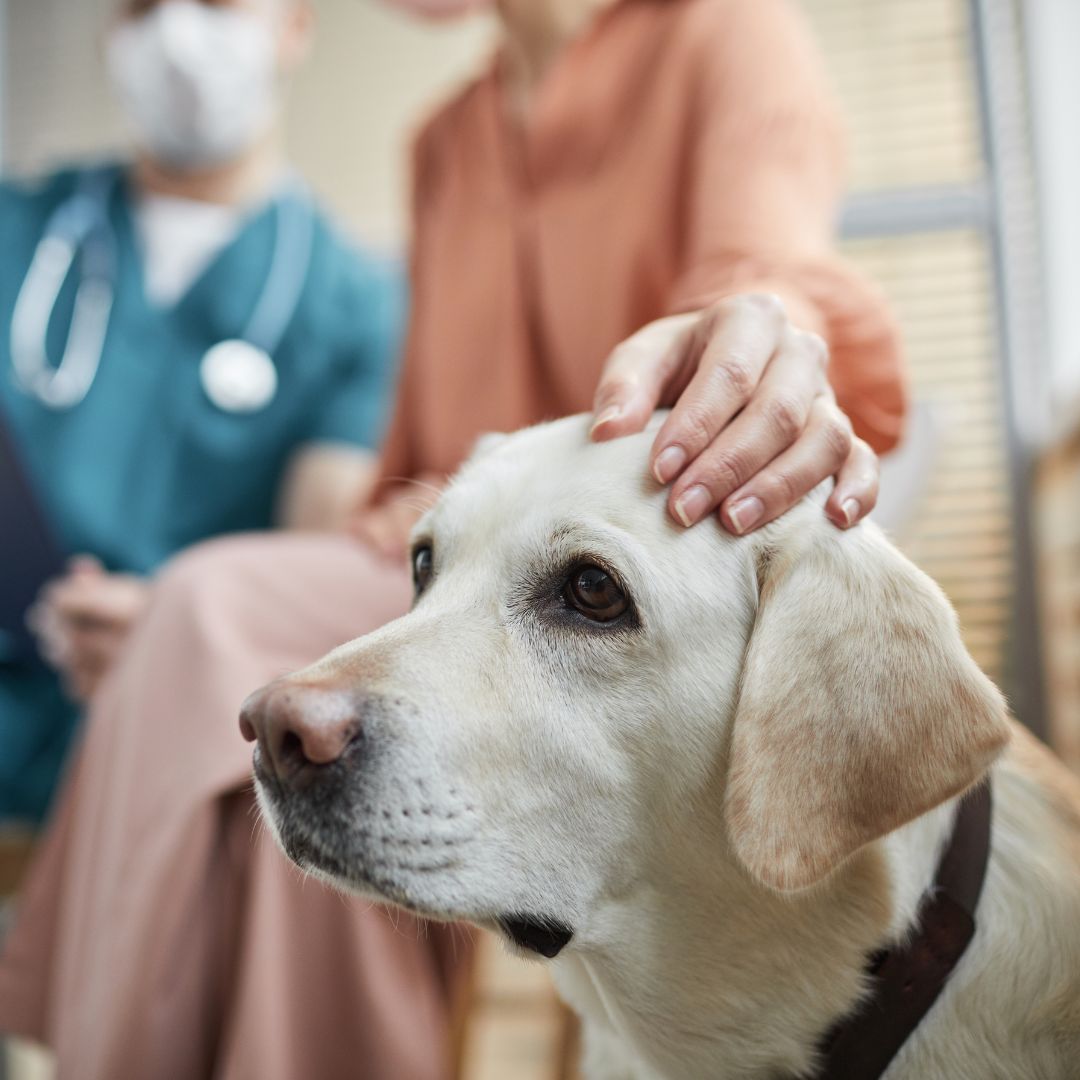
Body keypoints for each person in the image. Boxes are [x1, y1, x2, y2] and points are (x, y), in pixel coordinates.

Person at [0, 0, 905, 1077]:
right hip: (446, 567)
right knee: (237, 652)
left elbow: (765, 269)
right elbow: (418, 474)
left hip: (632, 579)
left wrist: (758, 333)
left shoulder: (721, 35)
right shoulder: (444, 141)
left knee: (215, 618)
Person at [0, 0, 402, 823]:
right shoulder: (19, 229)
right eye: (143, 6)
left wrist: (177, 634)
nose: (176, 35)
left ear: (295, 27)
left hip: (174, 746)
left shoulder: (353, 304)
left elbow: (302, 582)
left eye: (218, 2)